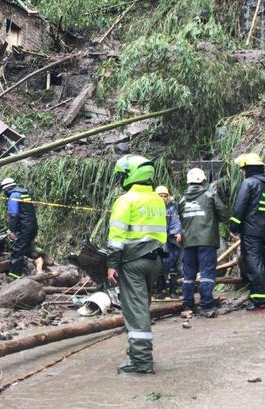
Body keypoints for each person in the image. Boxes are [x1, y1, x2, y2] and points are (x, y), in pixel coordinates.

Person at [107, 154, 167, 375]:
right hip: (154, 261)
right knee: (142, 307)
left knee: (136, 311)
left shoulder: (125, 201)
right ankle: (137, 352)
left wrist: (112, 264)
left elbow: (116, 238)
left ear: (129, 175)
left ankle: (141, 361)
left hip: (132, 262)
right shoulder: (157, 200)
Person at [230, 153, 265, 312]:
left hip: (251, 231)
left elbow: (240, 206)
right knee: (264, 263)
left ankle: (260, 300)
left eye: (243, 169)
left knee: (253, 264)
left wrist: (234, 226)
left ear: (249, 168)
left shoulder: (249, 183)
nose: (243, 172)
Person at [178, 168, 227, 318]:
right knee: (207, 273)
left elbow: (181, 219)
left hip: (188, 242)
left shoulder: (182, 200)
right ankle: (207, 306)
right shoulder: (210, 196)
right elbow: (224, 215)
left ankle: (187, 306)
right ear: (203, 181)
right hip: (206, 241)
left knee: (188, 275)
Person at [0, 177, 38, 278]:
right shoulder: (23, 193)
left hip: (24, 228)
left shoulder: (13, 196)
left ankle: (14, 276)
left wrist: (12, 231)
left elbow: (13, 214)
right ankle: (42, 258)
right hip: (32, 226)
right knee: (27, 247)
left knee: (17, 251)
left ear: (7, 189)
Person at [154, 186, 182, 299]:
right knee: (158, 267)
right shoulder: (151, 210)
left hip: (169, 242)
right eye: (160, 196)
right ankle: (160, 290)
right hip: (156, 242)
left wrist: (177, 233)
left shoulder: (171, 209)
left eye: (165, 196)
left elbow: (175, 222)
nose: (163, 198)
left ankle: (173, 290)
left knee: (172, 266)